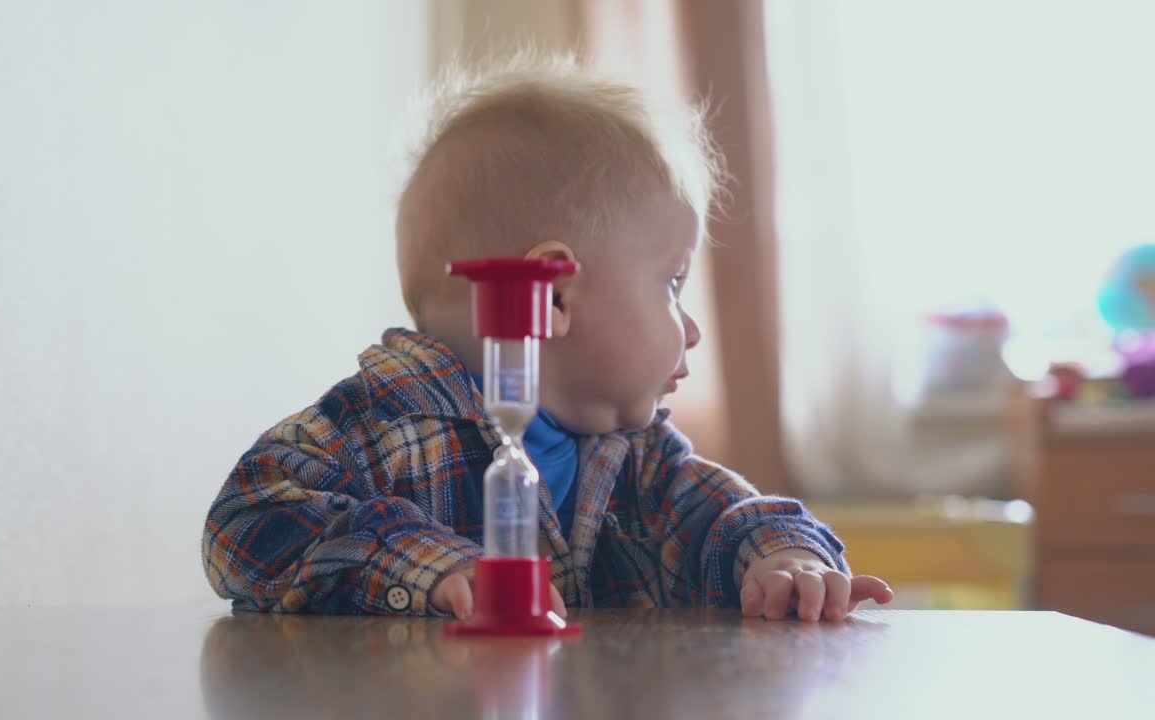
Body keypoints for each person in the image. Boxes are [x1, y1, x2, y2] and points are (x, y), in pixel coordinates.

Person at [202, 55, 892, 621]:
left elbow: (732, 515)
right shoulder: (380, 427)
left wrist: (784, 558)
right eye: (672, 284)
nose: (692, 329)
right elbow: (242, 521)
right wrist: (432, 566)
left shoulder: (636, 457)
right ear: (551, 295)